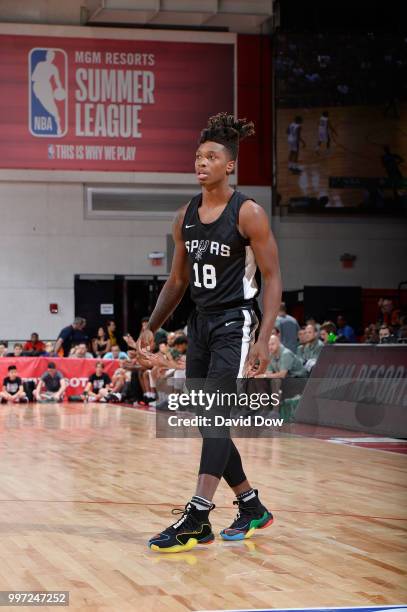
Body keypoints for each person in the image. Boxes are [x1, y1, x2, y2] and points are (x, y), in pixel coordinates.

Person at [140, 112, 282, 553]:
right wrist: (152, 326)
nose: (201, 162)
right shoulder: (184, 215)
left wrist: (263, 338)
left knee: (216, 416)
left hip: (235, 323)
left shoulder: (249, 213)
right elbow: (177, 281)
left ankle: (198, 515)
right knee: (208, 421)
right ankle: (251, 506)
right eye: (198, 156)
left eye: (212, 156)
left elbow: (274, 277)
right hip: (199, 324)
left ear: (229, 165)